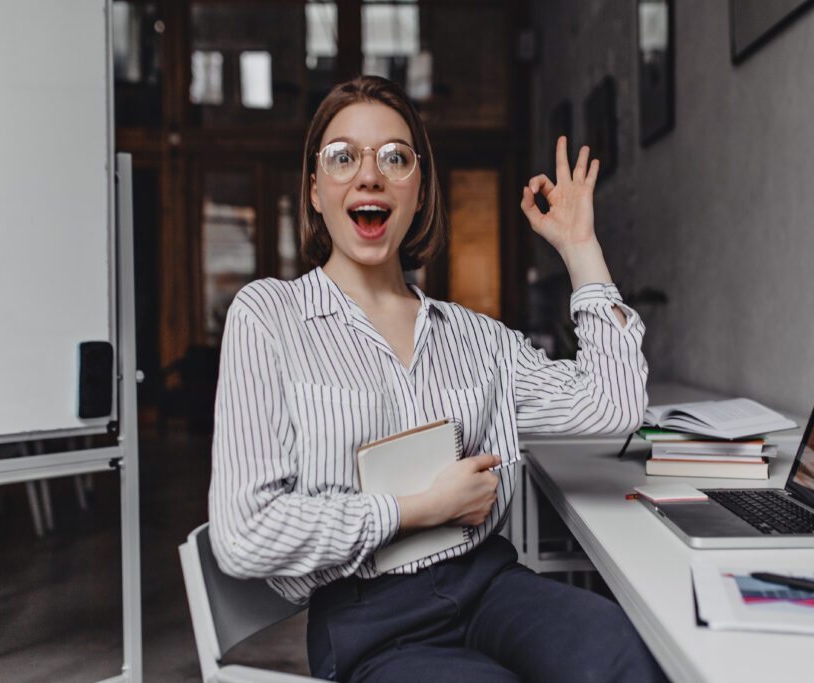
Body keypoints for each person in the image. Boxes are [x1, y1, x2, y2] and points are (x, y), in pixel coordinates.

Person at [209, 75, 663, 683]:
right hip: (368, 621)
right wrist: (416, 509)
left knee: (623, 655)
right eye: (342, 158)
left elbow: (614, 406)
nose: (369, 175)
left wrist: (580, 249)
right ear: (315, 190)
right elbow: (244, 535)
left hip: (492, 584)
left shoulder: (476, 338)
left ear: (419, 192)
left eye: (395, 158)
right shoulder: (269, 317)